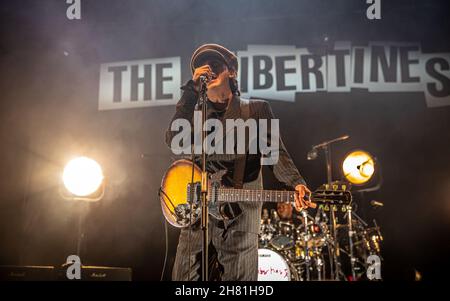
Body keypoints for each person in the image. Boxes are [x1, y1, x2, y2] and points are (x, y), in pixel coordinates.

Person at [165, 43, 313, 281]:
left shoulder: (256, 109)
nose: (207, 70)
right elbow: (173, 140)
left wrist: (296, 182)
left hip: (240, 214)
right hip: (197, 213)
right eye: (201, 67)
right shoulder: (195, 114)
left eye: (214, 65)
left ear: (231, 71)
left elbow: (276, 152)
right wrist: (190, 93)